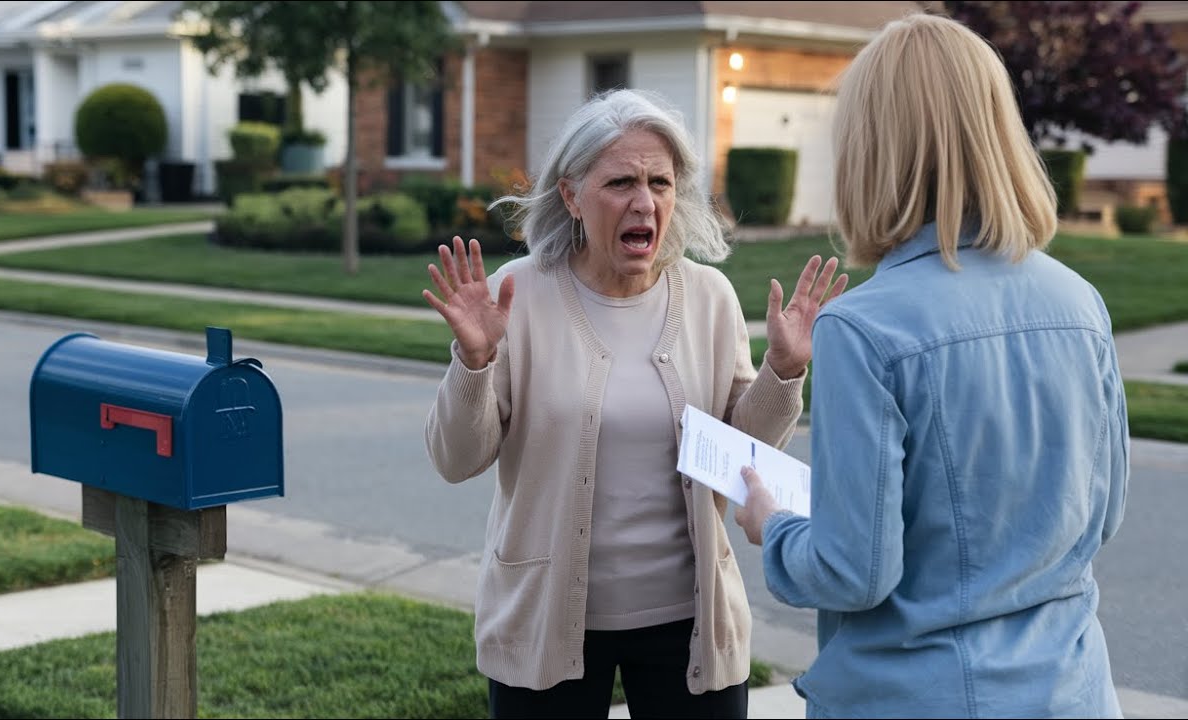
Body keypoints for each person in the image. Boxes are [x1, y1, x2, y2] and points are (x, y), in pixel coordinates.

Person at [732, 12, 1130, 719]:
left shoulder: (865, 327)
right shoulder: (1082, 303)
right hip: (1071, 691)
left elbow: (853, 572)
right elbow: (1100, 517)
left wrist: (775, 525)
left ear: (871, 148)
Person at [422, 88, 847, 719]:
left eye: (660, 182)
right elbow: (457, 459)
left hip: (689, 618)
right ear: (570, 196)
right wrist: (476, 361)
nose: (645, 202)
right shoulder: (521, 296)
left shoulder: (708, 297)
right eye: (620, 181)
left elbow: (742, 451)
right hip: (545, 615)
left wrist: (783, 370)